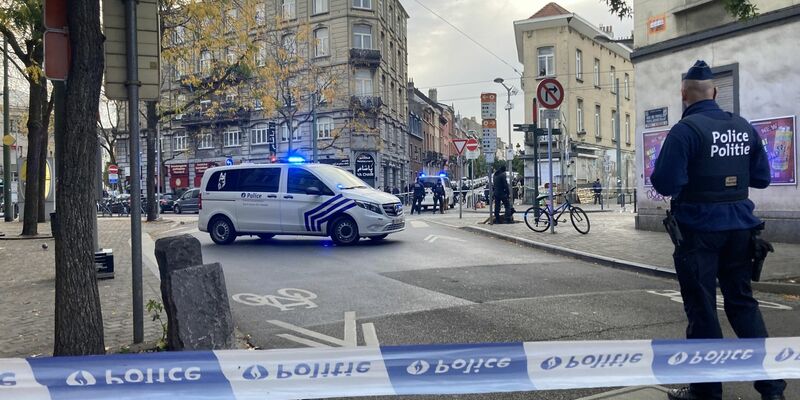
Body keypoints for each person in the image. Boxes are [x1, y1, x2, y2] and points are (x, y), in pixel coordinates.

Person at [651, 60, 784, 400]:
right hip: (741, 230)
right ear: (715, 91)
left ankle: (706, 393)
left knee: (703, 310)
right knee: (743, 305)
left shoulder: (685, 131)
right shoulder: (743, 127)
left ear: (684, 95)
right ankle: (773, 390)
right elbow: (762, 179)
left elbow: (666, 183)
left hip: (698, 233)